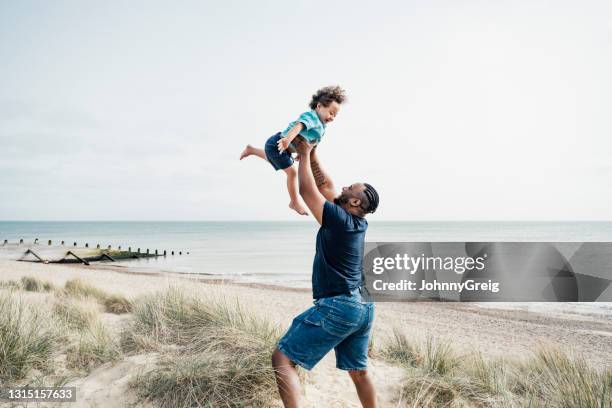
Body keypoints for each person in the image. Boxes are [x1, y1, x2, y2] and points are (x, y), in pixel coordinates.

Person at [271, 138, 380, 408]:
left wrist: (305, 155)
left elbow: (309, 192)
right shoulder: (355, 220)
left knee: (282, 359)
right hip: (363, 306)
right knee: (358, 371)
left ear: (354, 200)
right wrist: (314, 152)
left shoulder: (340, 220)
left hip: (340, 305)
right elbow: (325, 185)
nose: (342, 186)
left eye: (350, 188)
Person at [239, 85, 346, 216]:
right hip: (278, 142)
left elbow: (312, 144)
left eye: (335, 115)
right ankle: (294, 202)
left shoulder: (322, 128)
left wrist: (302, 154)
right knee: (292, 173)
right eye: (331, 112)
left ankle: (252, 150)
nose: (332, 117)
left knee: (274, 159)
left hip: (285, 149)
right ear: (319, 106)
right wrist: (287, 139)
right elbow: (299, 126)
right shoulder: (312, 117)